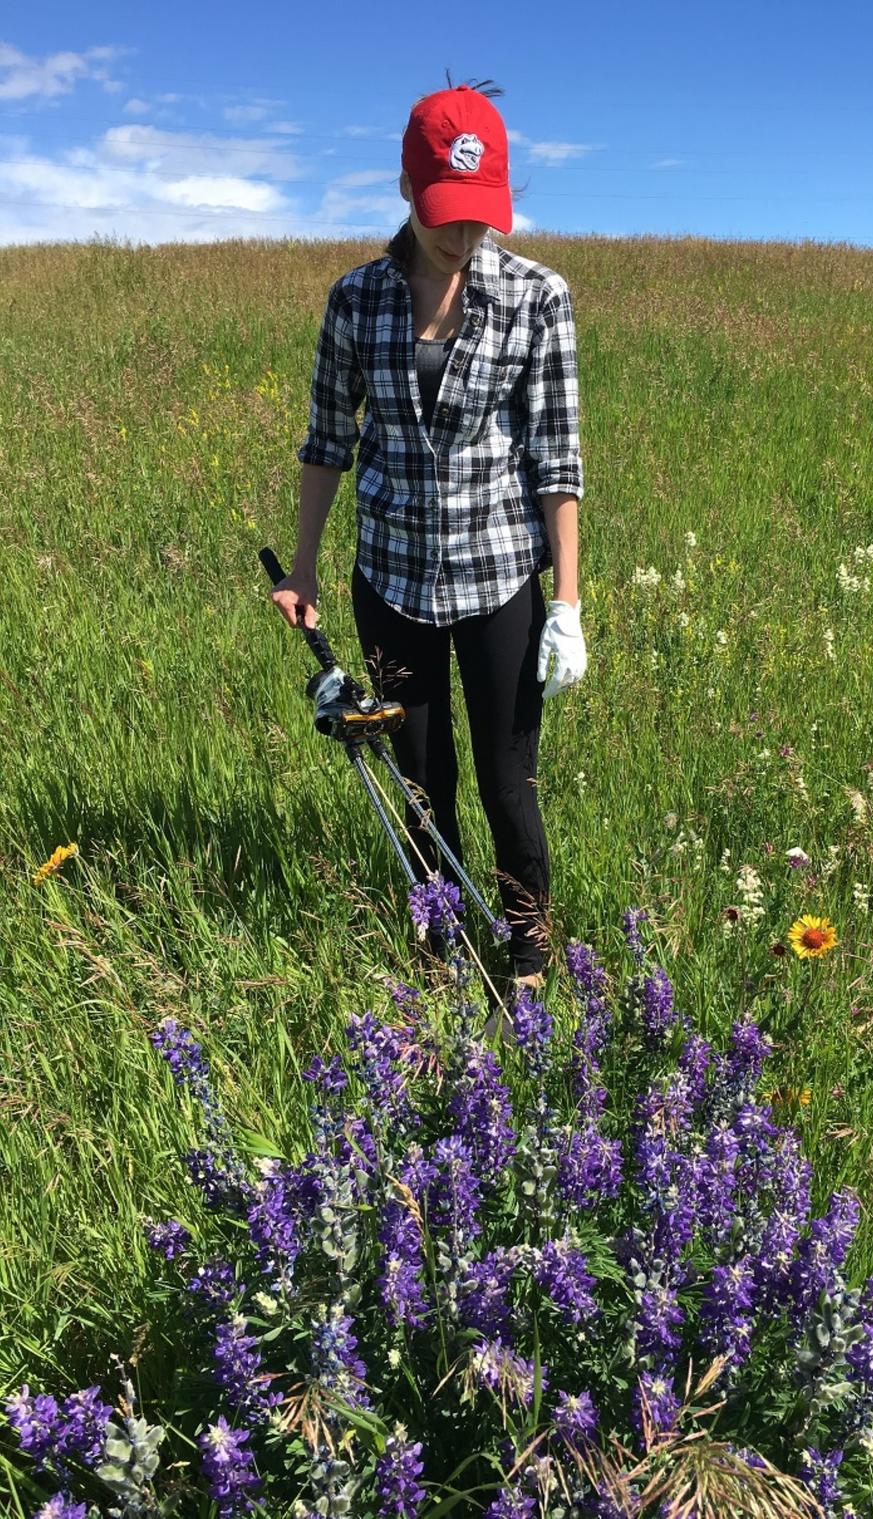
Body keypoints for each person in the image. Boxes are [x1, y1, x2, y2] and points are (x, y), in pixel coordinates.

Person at [271, 80, 585, 990]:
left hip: (498, 581)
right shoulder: (358, 300)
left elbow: (556, 461)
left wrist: (565, 604)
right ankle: (441, 938)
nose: (466, 234)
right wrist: (302, 569)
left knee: (506, 776)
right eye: (448, 213)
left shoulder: (537, 298)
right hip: (393, 579)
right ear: (408, 190)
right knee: (420, 773)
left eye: (482, 216)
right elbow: (328, 441)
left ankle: (527, 949)